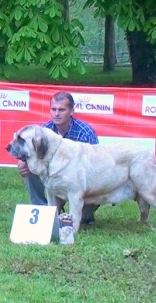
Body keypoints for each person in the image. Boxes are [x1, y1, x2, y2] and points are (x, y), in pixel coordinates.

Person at [17, 91, 100, 225]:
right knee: (29, 167)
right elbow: (35, 158)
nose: (56, 113)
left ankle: (85, 214)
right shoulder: (43, 132)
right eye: (53, 109)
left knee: (85, 216)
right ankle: (43, 211)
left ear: (72, 111)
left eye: (61, 110)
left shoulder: (85, 132)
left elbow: (96, 164)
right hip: (54, 180)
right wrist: (23, 164)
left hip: (81, 183)